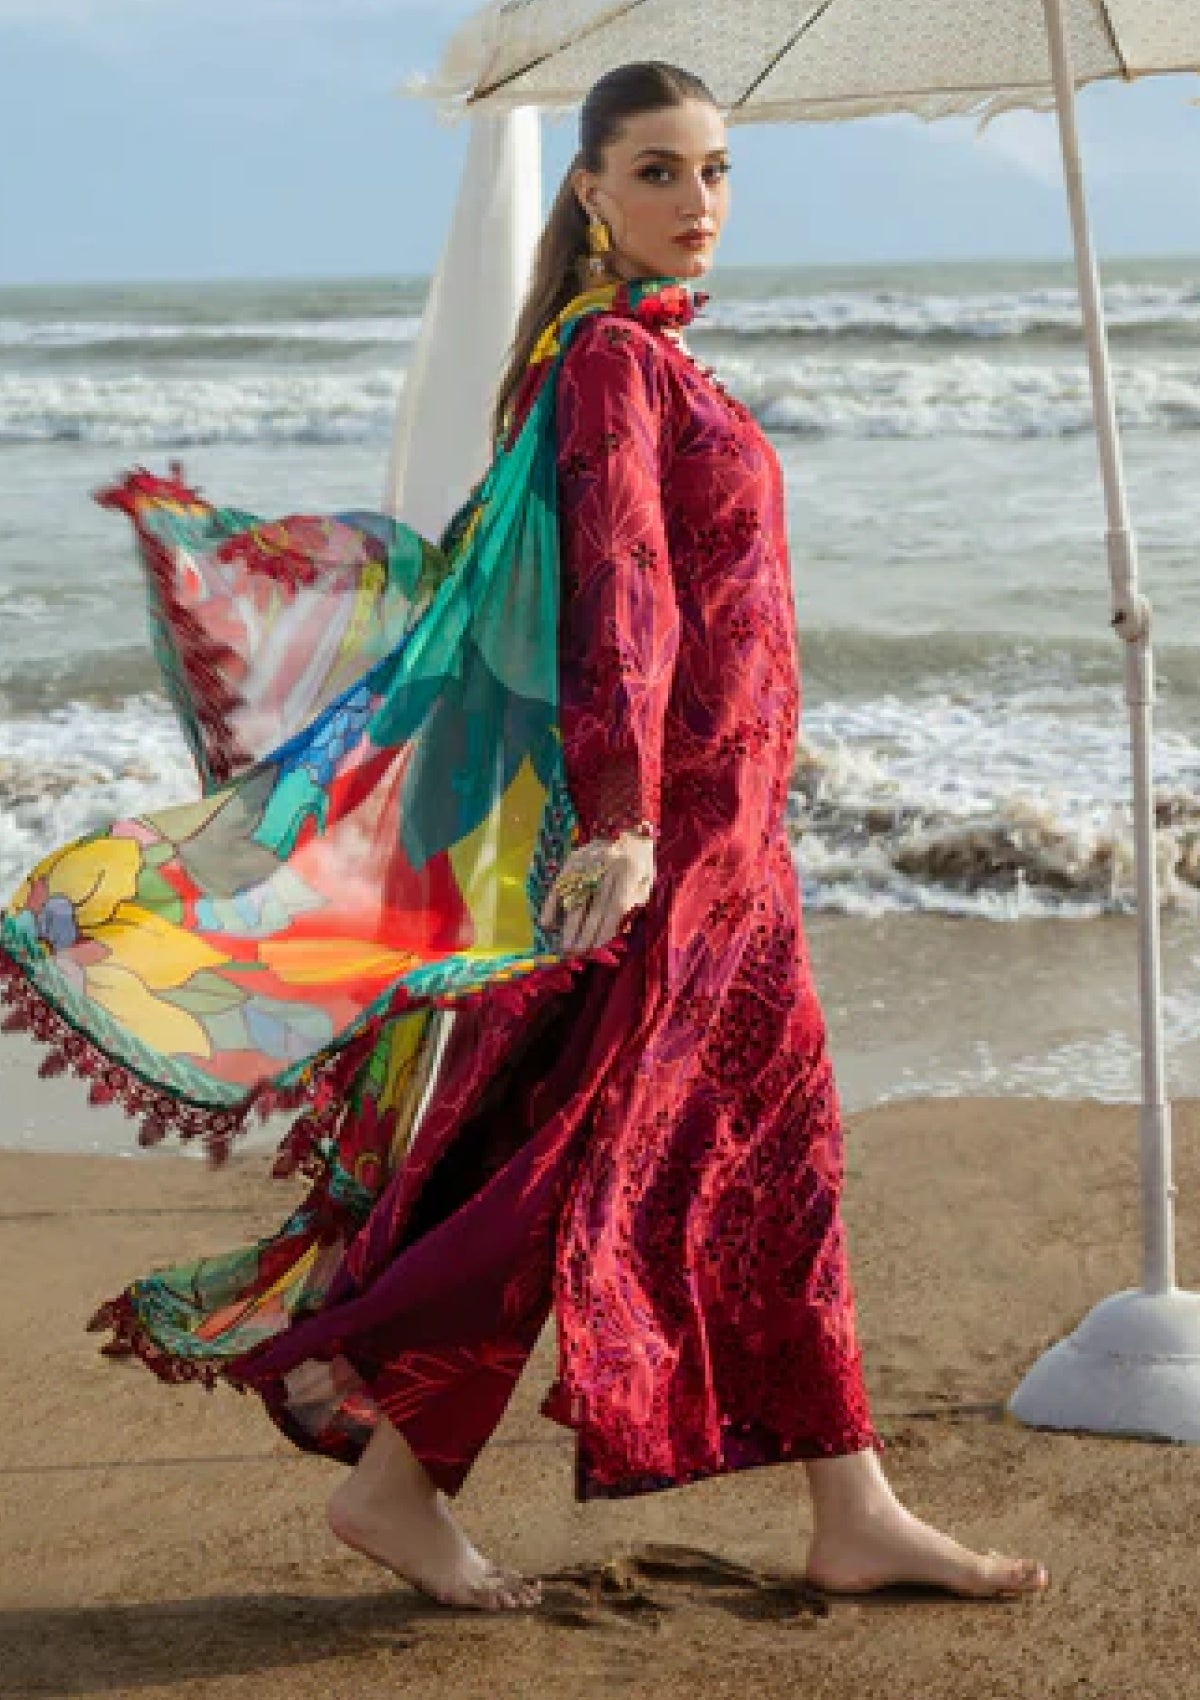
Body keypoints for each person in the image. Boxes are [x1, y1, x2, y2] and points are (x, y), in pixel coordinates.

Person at [1, 61, 1050, 1613]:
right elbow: (620, 592)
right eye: (659, 171)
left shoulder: (651, 358)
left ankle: (841, 1503)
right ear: (591, 189)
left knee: (747, 1156)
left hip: (734, 841)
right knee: (583, 1162)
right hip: (670, 849)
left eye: (716, 170)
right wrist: (623, 823)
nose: (697, 201)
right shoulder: (611, 359)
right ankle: (423, 1483)